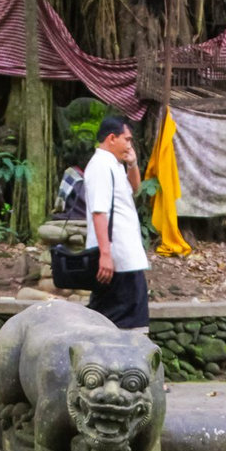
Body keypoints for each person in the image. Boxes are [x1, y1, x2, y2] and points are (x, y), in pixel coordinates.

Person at [84, 114, 149, 330]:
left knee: (126, 317)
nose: (130, 145)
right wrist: (105, 255)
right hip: (116, 257)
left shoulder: (114, 164)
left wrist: (132, 164)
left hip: (125, 257)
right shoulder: (100, 166)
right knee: (114, 320)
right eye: (127, 139)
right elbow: (99, 212)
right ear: (112, 138)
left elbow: (135, 189)